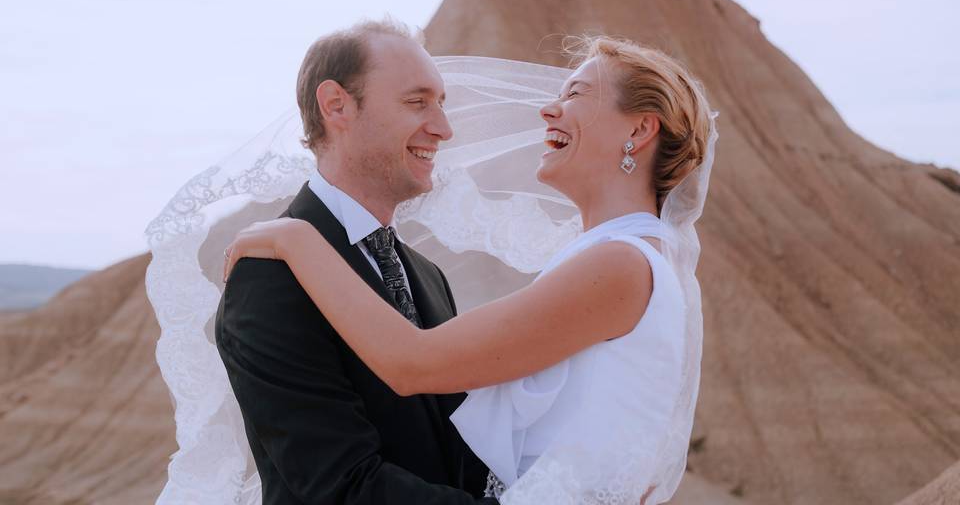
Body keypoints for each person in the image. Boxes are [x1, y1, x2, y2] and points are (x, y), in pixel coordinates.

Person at [223, 36, 717, 504]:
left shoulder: (620, 263)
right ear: (336, 107)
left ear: (638, 129)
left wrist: (296, 239)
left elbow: (412, 364)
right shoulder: (614, 258)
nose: (548, 109)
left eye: (577, 94)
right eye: (418, 102)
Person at [213, 19, 497, 504]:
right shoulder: (269, 276)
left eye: (441, 104)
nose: (443, 129)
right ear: (336, 105)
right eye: (417, 102)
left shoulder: (428, 276)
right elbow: (340, 485)